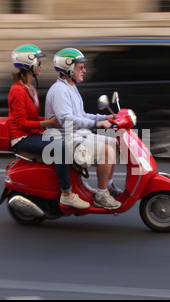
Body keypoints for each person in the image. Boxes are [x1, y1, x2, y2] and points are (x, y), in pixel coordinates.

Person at [8, 44, 90, 209]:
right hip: (22, 139)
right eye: (38, 62)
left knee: (71, 141)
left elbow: (33, 118)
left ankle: (78, 186)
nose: (41, 66)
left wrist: (51, 120)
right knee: (60, 148)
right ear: (28, 65)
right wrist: (49, 123)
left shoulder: (30, 88)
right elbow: (22, 123)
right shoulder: (17, 90)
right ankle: (67, 194)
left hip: (34, 134)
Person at [45, 48, 122, 210]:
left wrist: (104, 118)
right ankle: (101, 195)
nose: (84, 70)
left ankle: (108, 186)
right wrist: (96, 125)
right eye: (80, 67)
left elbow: (81, 114)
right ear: (68, 68)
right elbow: (67, 119)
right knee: (107, 150)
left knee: (114, 142)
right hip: (64, 139)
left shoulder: (70, 87)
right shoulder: (59, 90)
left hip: (78, 134)